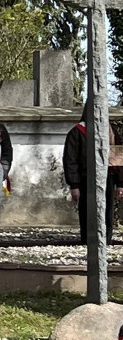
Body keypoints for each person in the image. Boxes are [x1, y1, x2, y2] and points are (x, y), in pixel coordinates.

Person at [63, 99, 123, 244]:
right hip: (86, 178)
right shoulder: (77, 132)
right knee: (87, 211)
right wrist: (74, 185)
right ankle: (87, 241)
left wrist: (121, 183)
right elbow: (70, 160)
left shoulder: (112, 131)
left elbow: (119, 158)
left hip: (108, 176)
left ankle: (105, 241)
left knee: (106, 212)